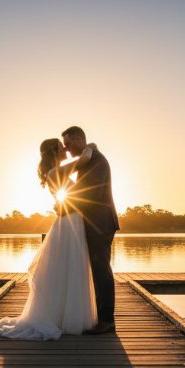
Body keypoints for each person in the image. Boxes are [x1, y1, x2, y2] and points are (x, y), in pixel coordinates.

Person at [0, 139, 99, 340]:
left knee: (68, 269)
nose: (65, 149)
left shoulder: (53, 171)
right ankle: (65, 318)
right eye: (61, 146)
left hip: (70, 220)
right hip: (69, 223)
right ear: (54, 151)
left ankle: (65, 315)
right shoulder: (56, 172)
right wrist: (91, 146)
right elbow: (85, 159)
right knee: (70, 268)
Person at [61, 125, 119, 335]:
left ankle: (107, 321)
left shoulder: (96, 160)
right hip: (95, 221)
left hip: (101, 222)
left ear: (78, 139)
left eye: (68, 145)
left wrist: (64, 203)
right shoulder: (89, 158)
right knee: (98, 270)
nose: (67, 150)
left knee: (102, 271)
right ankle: (101, 317)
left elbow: (90, 192)